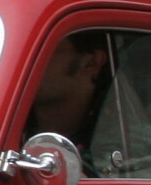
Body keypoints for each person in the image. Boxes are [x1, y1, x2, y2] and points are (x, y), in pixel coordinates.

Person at [23, 30, 113, 163]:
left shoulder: (121, 140)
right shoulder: (3, 126)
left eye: (41, 48)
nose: (24, 60)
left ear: (90, 63)